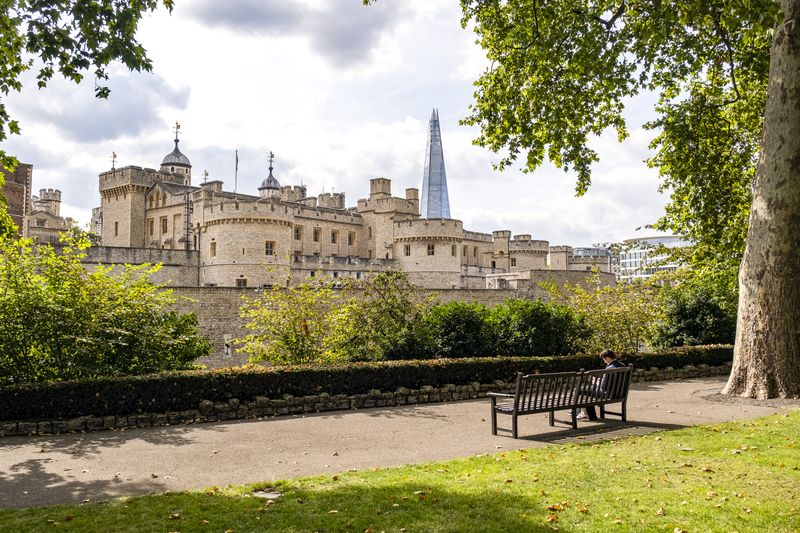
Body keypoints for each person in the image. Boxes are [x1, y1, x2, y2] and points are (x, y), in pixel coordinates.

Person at [577, 349, 626, 421]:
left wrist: (595, 382)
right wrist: (599, 381)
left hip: (608, 394)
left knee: (581, 389)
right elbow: (611, 382)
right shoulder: (623, 365)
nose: (604, 361)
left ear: (607, 358)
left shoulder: (609, 369)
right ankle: (586, 413)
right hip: (619, 393)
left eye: (603, 359)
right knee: (588, 389)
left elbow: (603, 387)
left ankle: (586, 414)